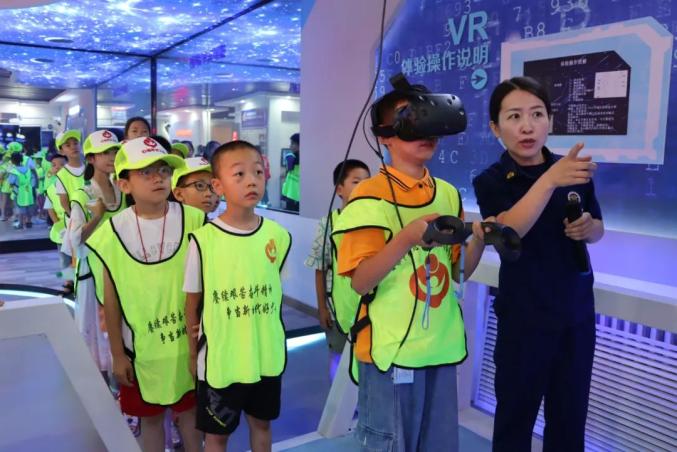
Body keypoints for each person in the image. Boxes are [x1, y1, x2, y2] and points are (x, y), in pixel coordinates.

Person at [333, 85, 490, 451]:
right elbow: (360, 281)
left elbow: (457, 274)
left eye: (428, 119)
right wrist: (405, 238)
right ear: (383, 136)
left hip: (440, 347)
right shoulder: (368, 197)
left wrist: (480, 240)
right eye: (410, 120)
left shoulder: (447, 193)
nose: (424, 131)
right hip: (389, 351)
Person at [472, 76, 604, 452]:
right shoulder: (490, 181)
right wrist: (548, 181)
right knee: (515, 422)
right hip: (524, 320)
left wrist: (588, 228)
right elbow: (509, 230)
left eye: (537, 114)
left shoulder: (572, 171)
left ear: (550, 120)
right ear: (496, 128)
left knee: (569, 422)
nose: (527, 126)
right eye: (514, 116)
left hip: (576, 316)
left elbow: (599, 228)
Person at [86, 137, 203, 452]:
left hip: (188, 347)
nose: (158, 178)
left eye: (163, 170)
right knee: (150, 422)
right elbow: (110, 298)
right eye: (146, 172)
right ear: (124, 184)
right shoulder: (112, 234)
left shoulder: (194, 219)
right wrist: (117, 353)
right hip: (139, 351)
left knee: (191, 418)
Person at [184, 140, 291, 452]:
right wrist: (192, 353)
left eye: (257, 172)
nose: (251, 181)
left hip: (265, 356)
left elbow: (273, 291)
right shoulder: (203, 240)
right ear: (218, 185)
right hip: (222, 360)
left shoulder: (277, 236)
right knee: (217, 436)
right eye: (239, 174)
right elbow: (192, 302)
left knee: (262, 425)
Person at [304, 159, 370, 379]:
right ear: (339, 189)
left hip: (368, 306)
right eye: (356, 181)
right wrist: (322, 308)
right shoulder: (329, 224)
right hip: (336, 307)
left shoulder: (376, 222)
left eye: (367, 182)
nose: (363, 187)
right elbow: (320, 269)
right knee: (338, 355)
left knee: (366, 357)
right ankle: (337, 395)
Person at [69, 130, 126, 378]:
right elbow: (75, 239)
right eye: (105, 153)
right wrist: (97, 217)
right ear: (91, 158)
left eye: (114, 151)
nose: (111, 156)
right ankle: (99, 383)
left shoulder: (123, 191)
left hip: (120, 269)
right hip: (93, 273)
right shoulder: (83, 195)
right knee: (95, 331)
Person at [7, 151, 36, 230]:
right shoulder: (28, 169)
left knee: (20, 207)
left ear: (12, 160)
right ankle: (29, 222)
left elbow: (11, 182)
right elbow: (33, 180)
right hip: (28, 190)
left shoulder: (13, 171)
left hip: (18, 191)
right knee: (29, 205)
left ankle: (21, 223)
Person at [281, 133, 300, 212]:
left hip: (296, 196)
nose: (290, 146)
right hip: (290, 194)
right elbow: (290, 167)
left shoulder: (292, 157)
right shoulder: (291, 156)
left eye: (292, 143)